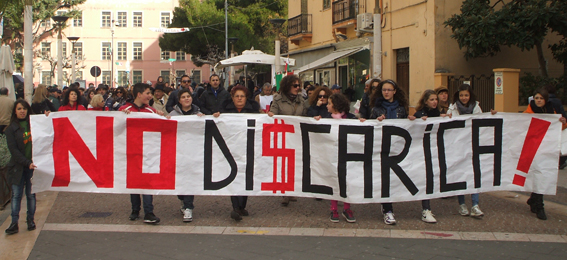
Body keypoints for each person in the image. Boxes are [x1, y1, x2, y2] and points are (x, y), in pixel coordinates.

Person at [119, 83, 164, 224]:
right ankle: (135, 209)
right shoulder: (123, 109)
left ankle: (148, 212)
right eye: (148, 93)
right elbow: (115, 127)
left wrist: (162, 117)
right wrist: (121, 117)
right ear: (139, 94)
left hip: (147, 153)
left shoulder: (151, 111)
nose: (150, 96)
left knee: (147, 183)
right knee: (134, 182)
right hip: (131, 152)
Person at [213, 85, 260, 221]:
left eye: (242, 96)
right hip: (231, 148)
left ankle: (241, 206)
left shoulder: (254, 111)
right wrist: (216, 117)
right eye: (237, 96)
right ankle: (235, 207)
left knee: (246, 176)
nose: (239, 99)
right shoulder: (225, 111)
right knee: (233, 176)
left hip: (247, 148)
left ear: (246, 98)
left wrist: (268, 117)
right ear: (232, 98)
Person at [314, 93, 361, 223]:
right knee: (333, 181)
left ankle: (347, 208)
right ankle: (333, 208)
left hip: (348, 155)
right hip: (332, 155)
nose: (327, 106)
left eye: (329, 103)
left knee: (346, 182)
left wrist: (363, 123)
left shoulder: (351, 118)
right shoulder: (326, 118)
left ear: (336, 105)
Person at [369, 79, 409, 225]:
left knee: (394, 180)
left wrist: (412, 120)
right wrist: (376, 120)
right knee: (385, 179)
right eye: (384, 90)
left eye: (389, 90)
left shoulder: (401, 109)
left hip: (398, 149)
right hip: (383, 148)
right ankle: (388, 210)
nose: (386, 92)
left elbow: (406, 126)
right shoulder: (376, 109)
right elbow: (370, 126)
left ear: (394, 92)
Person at [523, 88, 567, 220]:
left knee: (542, 174)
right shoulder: (529, 111)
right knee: (537, 173)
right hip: (533, 148)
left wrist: (563, 123)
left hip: (547, 149)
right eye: (536, 98)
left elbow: (559, 127)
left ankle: (536, 201)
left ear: (546, 100)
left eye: (541, 98)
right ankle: (538, 204)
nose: (538, 101)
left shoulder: (552, 112)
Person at [447, 84, 489, 218]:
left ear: (470, 95)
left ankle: (475, 205)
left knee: (474, 174)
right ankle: (462, 204)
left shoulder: (476, 107)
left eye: (466, 95)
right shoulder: (452, 108)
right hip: (458, 146)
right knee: (461, 174)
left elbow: (482, 122)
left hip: (472, 144)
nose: (464, 98)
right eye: (461, 95)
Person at [268, 74, 308, 206]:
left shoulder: (301, 99)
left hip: (297, 136)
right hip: (283, 136)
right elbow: (273, 114)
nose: (298, 88)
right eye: (295, 85)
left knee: (294, 164)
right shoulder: (278, 99)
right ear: (287, 86)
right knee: (283, 164)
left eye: (299, 85)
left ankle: (292, 190)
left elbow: (306, 114)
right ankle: (284, 192)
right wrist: (271, 115)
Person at [407, 89, 446, 223]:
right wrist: (417, 120)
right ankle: (426, 209)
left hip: (435, 151)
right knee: (425, 179)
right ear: (425, 101)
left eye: (436, 99)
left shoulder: (440, 114)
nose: (434, 102)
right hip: (422, 152)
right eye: (431, 99)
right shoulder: (419, 114)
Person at [4, 100, 37, 235]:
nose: (22, 111)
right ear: (15, 111)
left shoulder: (34, 125)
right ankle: (14, 223)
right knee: (17, 195)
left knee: (31, 195)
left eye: (24, 108)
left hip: (32, 166)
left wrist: (46, 116)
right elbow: (14, 151)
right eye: (19, 109)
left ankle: (30, 220)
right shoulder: (10, 129)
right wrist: (26, 162)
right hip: (18, 166)